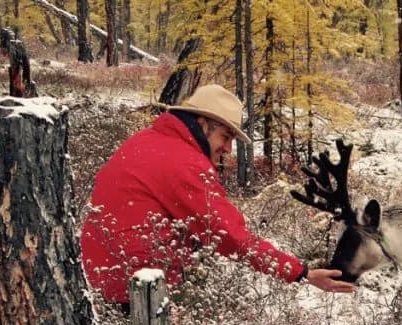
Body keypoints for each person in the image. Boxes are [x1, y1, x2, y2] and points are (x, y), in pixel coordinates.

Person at [80, 83, 354, 308]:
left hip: (100, 283)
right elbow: (230, 236)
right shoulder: (183, 162)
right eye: (225, 136)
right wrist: (301, 273)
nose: (227, 149)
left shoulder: (147, 141)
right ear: (203, 123)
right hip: (134, 292)